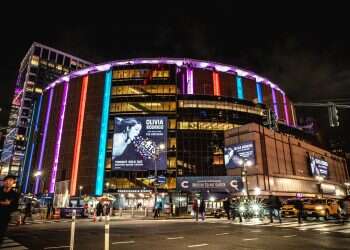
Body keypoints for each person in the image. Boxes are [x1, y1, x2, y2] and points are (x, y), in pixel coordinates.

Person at [0, 175, 19, 245]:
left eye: (11, 180)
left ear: (13, 183)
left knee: (1, 233)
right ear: (3, 182)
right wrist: (3, 203)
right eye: (7, 180)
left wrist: (9, 205)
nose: (8, 182)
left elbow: (15, 206)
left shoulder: (15, 194)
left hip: (5, 218)